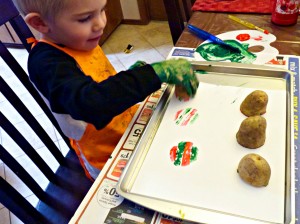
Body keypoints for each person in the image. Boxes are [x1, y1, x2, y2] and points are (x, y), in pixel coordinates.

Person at [13, 0, 199, 180]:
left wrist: (132, 76)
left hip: (130, 126)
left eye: (102, 9)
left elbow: (97, 82)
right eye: (85, 18)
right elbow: (91, 102)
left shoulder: (76, 38)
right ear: (40, 22)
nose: (101, 23)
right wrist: (154, 74)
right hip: (105, 156)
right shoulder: (46, 64)